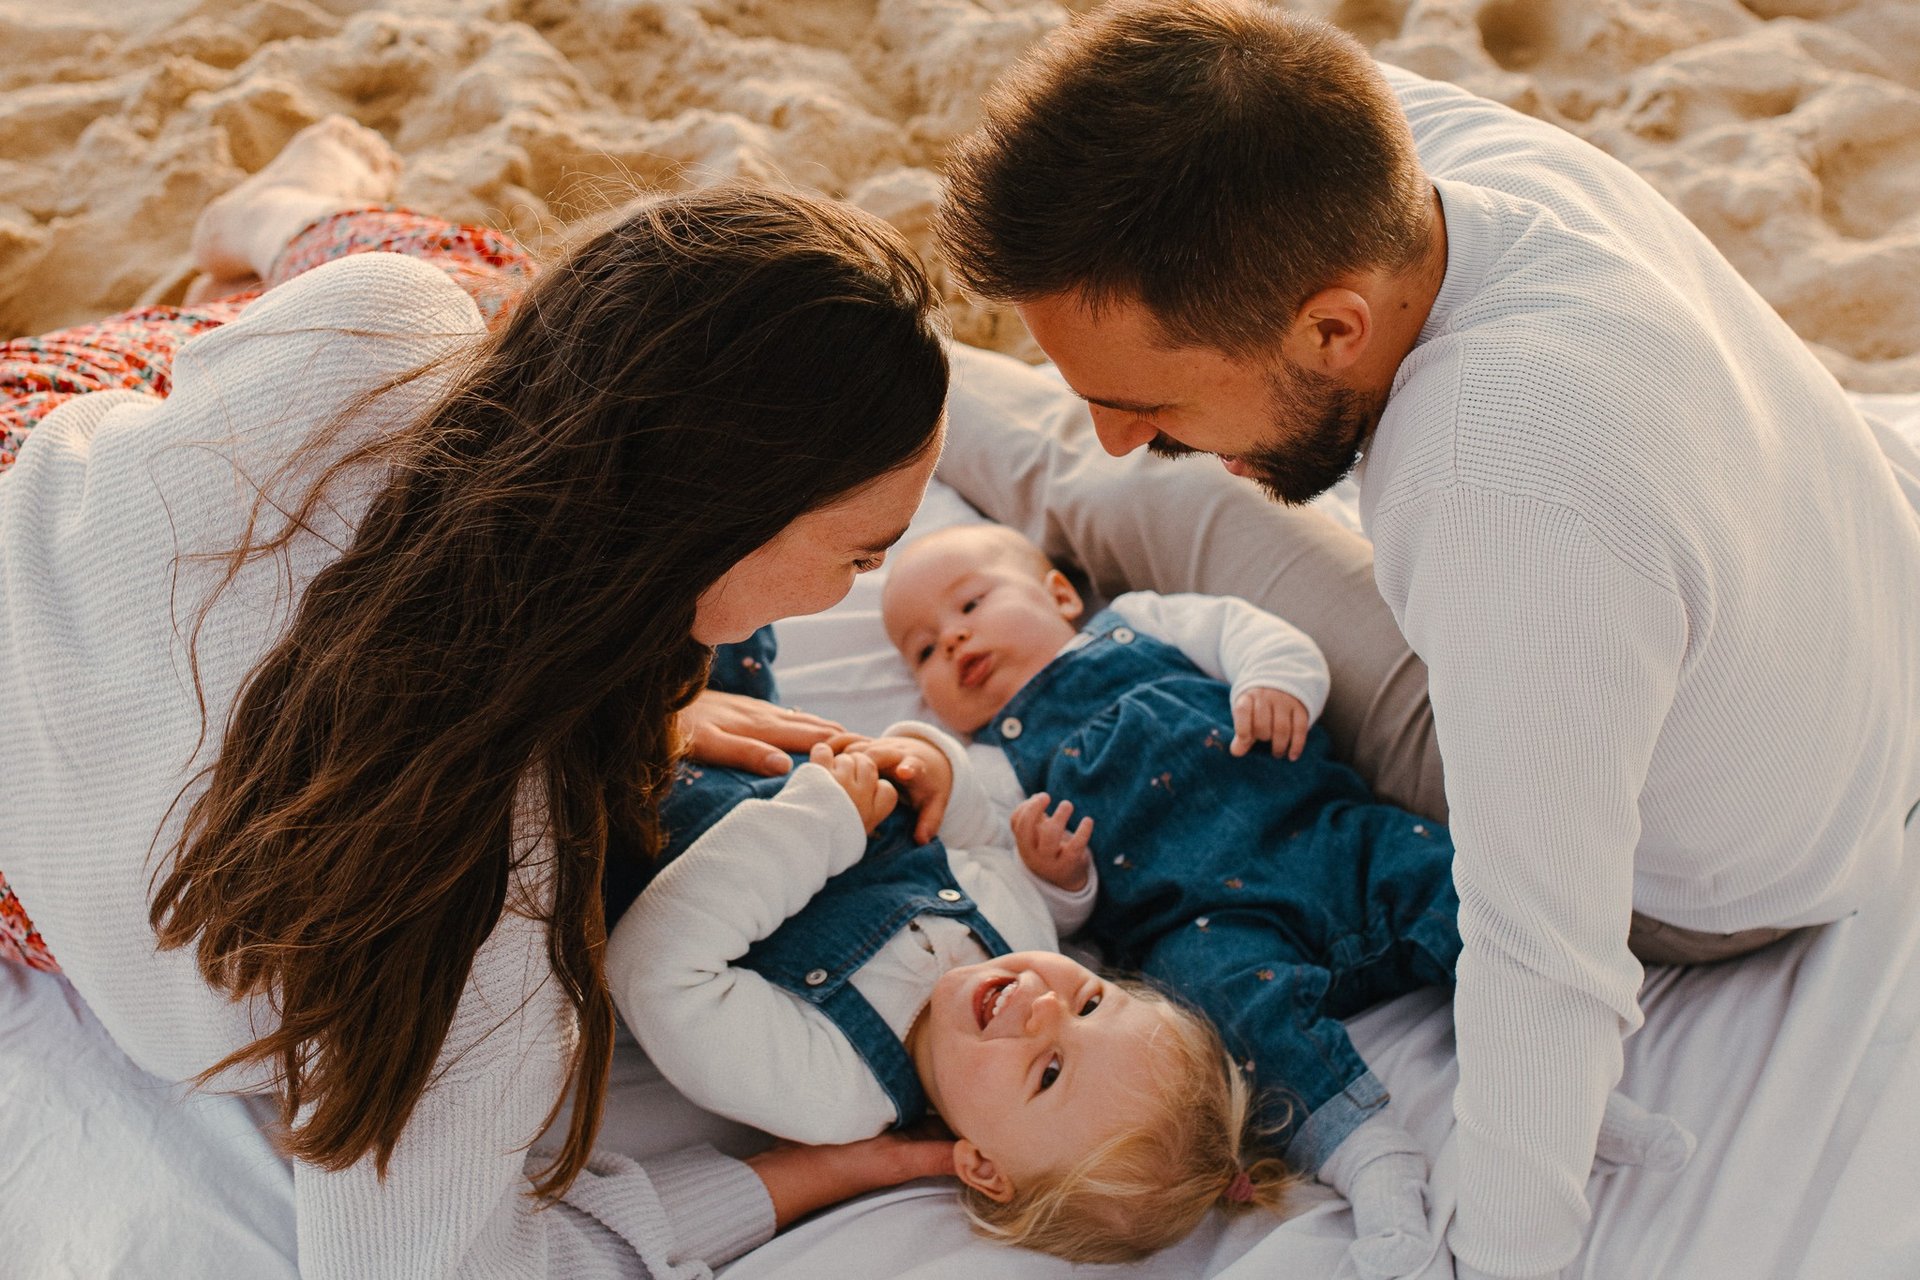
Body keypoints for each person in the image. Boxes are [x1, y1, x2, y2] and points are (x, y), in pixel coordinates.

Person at [932, 4, 1920, 1277]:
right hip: (1861, 635)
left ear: (1336, 325)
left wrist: (1499, 1259)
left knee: (1143, 498)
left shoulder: (1499, 483)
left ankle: (893, 374)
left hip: (1722, 874)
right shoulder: (1401, 153)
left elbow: (1542, 949)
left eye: (1145, 397)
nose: (1122, 424)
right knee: (1167, 484)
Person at [0, 116, 957, 1276]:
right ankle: (284, 215)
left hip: (30, 458)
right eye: (861, 554)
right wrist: (823, 1172)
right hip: (31, 839)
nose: (863, 582)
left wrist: (624, 696)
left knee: (468, 295)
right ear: (718, 525)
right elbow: (426, 1264)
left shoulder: (376, 321)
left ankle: (291, 216)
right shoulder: (483, 886)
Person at [875, 522, 1695, 1276]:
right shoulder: (992, 770)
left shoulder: (1141, 622)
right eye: (923, 652)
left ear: (1059, 594)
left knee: (1454, 883)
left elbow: (1253, 633)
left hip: (1328, 835)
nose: (954, 641)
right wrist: (1062, 878)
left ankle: (1561, 1079)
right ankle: (1367, 1155)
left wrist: (1274, 682)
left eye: (970, 605)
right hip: (1209, 925)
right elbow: (1046, 927)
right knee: (1212, 1008)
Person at [606, 694, 1292, 1264]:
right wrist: (934, 767)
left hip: (610, 801)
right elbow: (976, 835)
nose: (1044, 1005)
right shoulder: (1018, 933)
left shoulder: (835, 1091)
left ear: (983, 1166)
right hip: (743, 720)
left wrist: (818, 825)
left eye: (1050, 1071)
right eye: (1090, 1001)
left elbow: (656, 970)